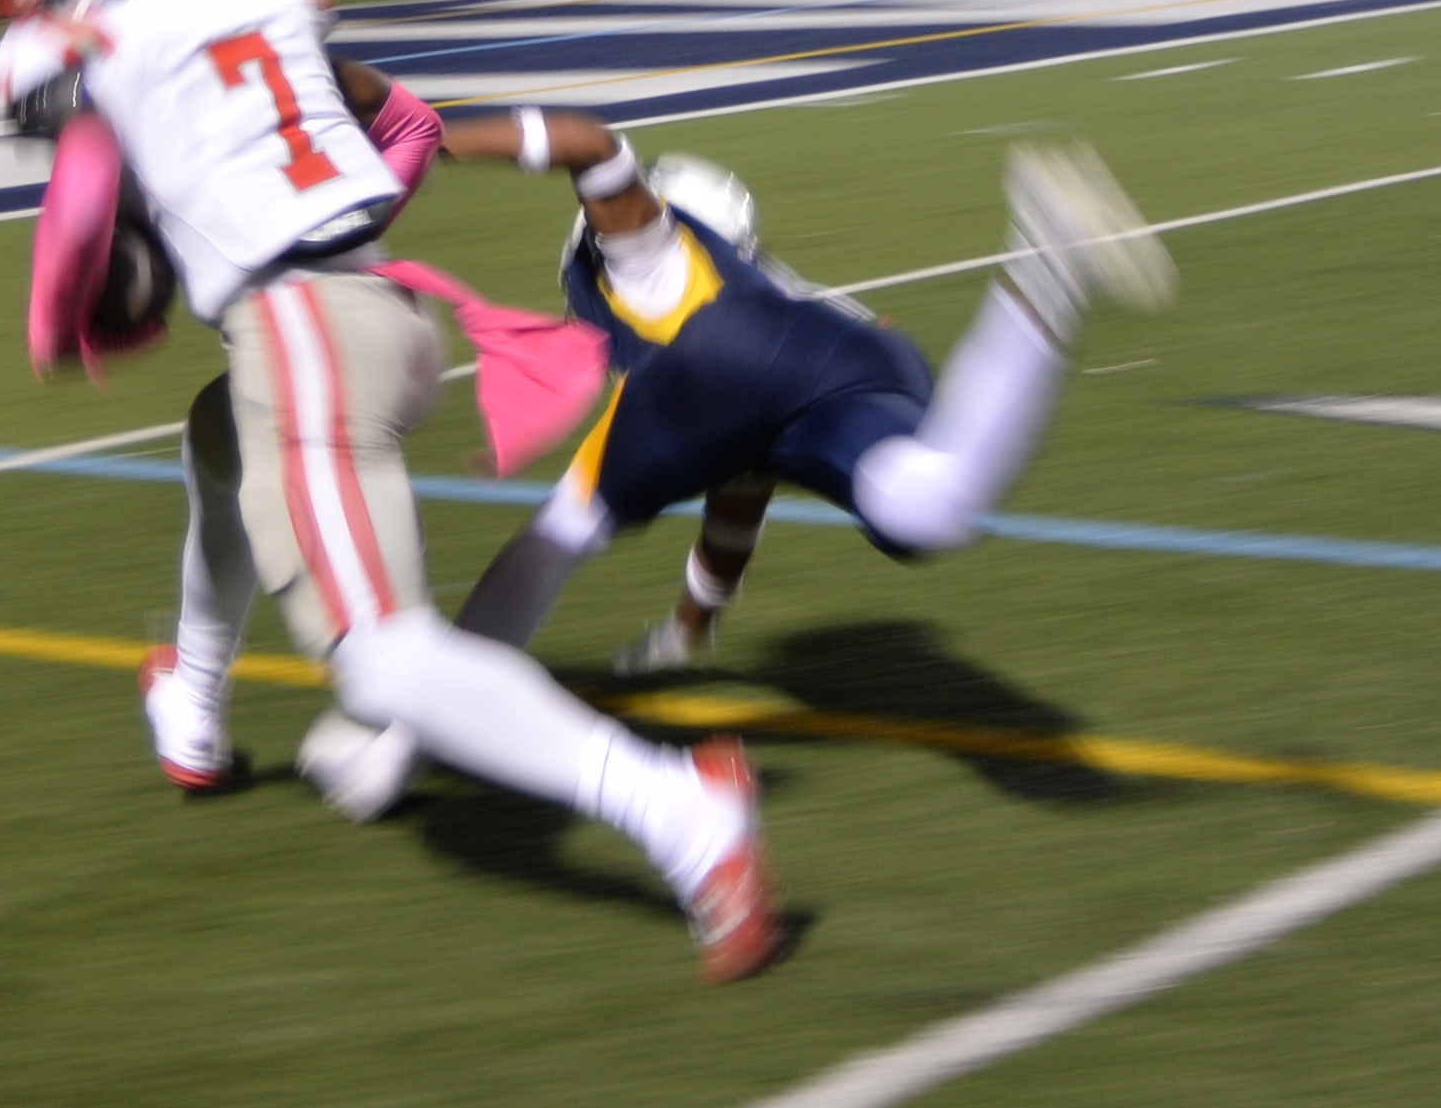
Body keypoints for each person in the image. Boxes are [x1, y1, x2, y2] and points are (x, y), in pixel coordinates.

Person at [0, 0, 785, 982]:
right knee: (220, 440)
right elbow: (398, 117)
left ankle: (682, 810)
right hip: (382, 310)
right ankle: (191, 704)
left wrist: (73, 304)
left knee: (380, 659)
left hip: (303, 330)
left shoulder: (82, 42)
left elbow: (67, 183)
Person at [298, 126, 1172, 818]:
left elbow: (593, 152)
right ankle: (1039, 277)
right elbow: (742, 477)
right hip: (854, 357)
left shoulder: (646, 250)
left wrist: (434, 135)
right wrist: (694, 618)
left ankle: (406, 742)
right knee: (931, 506)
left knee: (547, 547)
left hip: (712, 367)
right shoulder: (770, 290)